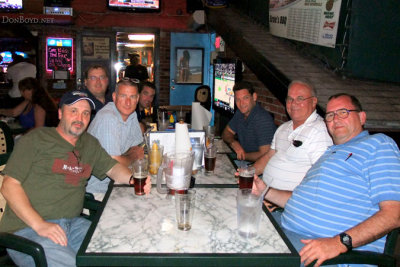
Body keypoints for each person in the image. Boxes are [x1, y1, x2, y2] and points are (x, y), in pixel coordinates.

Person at [0, 90, 151, 266]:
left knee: (119, 251)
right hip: (28, 229)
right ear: (60, 113)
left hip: (73, 225)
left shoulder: (89, 143)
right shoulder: (36, 139)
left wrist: (133, 179)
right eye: (74, 111)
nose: (80, 117)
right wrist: (40, 224)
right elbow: (9, 186)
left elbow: (112, 168)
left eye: (85, 113)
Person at [252, 93, 400, 267]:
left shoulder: (379, 145)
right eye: (330, 115)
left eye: (343, 112)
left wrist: (339, 243)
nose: (335, 119)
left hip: (323, 250)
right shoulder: (329, 153)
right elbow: (299, 199)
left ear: (362, 117)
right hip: (285, 229)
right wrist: (266, 191)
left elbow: (393, 215)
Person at [253, 80, 332, 190]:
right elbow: (268, 157)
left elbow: (322, 179)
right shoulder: (283, 128)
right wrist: (248, 173)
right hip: (265, 194)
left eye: (300, 98)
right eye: (290, 99)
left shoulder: (320, 130)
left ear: (314, 102)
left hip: (288, 203)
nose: (294, 103)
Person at [86, 78, 144, 195]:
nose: (128, 102)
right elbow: (113, 162)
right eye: (123, 96)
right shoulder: (107, 118)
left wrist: (126, 156)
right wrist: (131, 157)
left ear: (137, 99)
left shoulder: (131, 114)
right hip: (98, 191)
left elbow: (137, 148)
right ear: (114, 97)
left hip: (118, 184)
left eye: (132, 97)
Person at [222, 81, 276, 162]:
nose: (241, 103)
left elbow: (265, 155)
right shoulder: (240, 113)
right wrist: (233, 143)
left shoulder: (263, 119)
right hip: (246, 162)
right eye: (238, 100)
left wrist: (241, 156)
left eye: (245, 98)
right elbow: (226, 133)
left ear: (254, 97)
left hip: (261, 168)